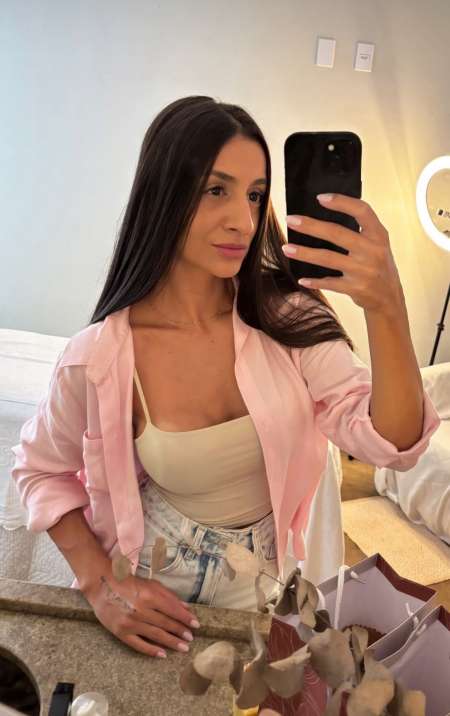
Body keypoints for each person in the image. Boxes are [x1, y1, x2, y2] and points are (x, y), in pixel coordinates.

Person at [11, 96, 440, 661]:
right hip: (155, 598)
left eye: (255, 194)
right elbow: (39, 469)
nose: (244, 220)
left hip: (269, 593)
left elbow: (392, 444)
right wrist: (99, 582)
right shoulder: (100, 356)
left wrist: (387, 305)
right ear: (163, 193)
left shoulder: (287, 318)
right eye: (217, 190)